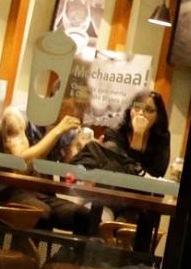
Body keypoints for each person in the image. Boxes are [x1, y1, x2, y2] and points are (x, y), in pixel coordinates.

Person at [43, 92, 170, 238]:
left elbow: (157, 173)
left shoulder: (161, 139)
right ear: (130, 110)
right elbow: (123, 170)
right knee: (97, 223)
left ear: (158, 116)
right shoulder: (115, 133)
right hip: (110, 197)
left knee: (133, 228)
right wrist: (137, 136)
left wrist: (139, 136)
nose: (141, 113)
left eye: (149, 110)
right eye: (137, 108)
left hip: (139, 203)